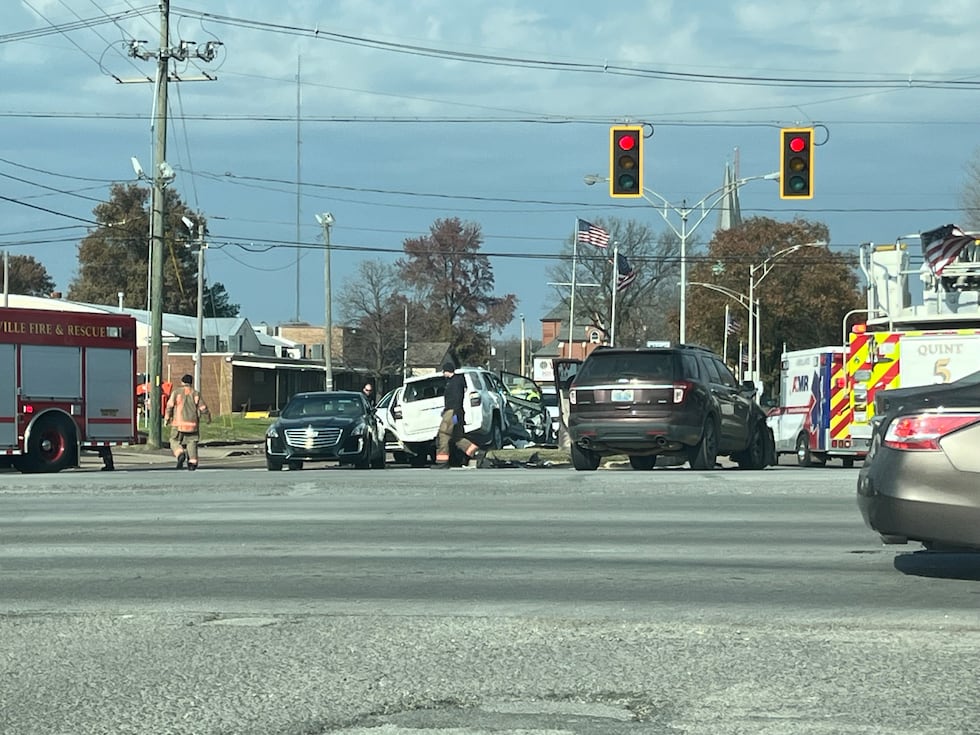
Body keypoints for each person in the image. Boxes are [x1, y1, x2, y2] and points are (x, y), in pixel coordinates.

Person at [433, 361, 485, 469]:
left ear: (447, 371)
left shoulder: (453, 383)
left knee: (444, 434)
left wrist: (451, 412)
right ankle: (476, 452)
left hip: (452, 413)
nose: (443, 374)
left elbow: (454, 399)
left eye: (444, 371)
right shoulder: (458, 381)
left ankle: (442, 461)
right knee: (457, 437)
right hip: (457, 414)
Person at [165, 374, 212, 471]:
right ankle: (192, 462)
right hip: (192, 424)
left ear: (182, 382)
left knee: (174, 440)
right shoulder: (195, 394)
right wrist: (207, 418)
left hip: (178, 423)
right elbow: (203, 408)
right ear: (191, 383)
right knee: (192, 442)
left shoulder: (177, 393)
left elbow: (169, 406)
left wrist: (167, 418)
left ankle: (180, 453)